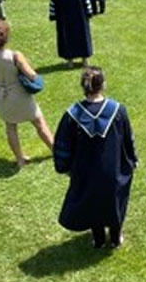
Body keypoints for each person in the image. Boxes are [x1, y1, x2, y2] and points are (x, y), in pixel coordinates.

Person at [52, 66, 137, 249]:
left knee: (93, 202)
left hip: (85, 172)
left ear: (83, 86)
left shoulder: (72, 116)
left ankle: (98, 239)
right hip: (113, 170)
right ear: (103, 85)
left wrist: (64, 167)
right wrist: (131, 160)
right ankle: (115, 239)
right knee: (115, 202)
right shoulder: (118, 110)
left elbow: (62, 145)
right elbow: (128, 139)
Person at [0, 19, 54, 168]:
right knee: (39, 122)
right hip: (18, 93)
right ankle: (55, 150)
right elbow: (32, 75)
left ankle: (20, 159)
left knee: (11, 126)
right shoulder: (14, 55)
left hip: (0, 94)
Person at [49, 0, 94, 66]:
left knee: (70, 38)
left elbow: (53, 5)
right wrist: (89, 12)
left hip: (67, 20)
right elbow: (86, 2)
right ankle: (79, 60)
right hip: (79, 19)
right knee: (79, 38)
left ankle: (76, 60)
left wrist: (53, 15)